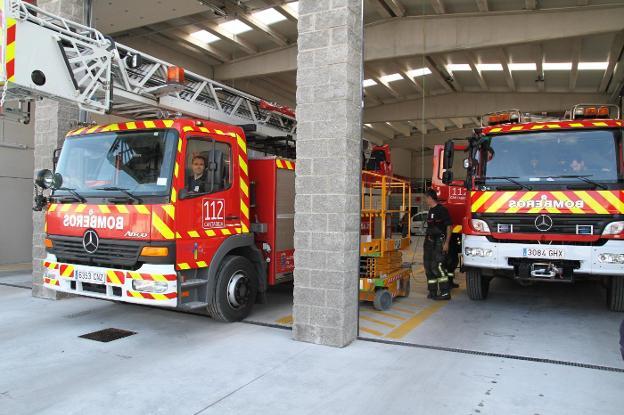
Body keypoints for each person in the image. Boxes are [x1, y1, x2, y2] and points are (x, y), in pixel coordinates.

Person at [423, 189, 452, 300]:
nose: (426, 200)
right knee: (428, 266)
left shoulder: (442, 210)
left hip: (439, 242)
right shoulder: (430, 210)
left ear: (430, 198)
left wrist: (447, 243)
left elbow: (449, 227)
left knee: (437, 267)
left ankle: (445, 292)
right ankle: (433, 291)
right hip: (429, 242)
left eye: (426, 198)